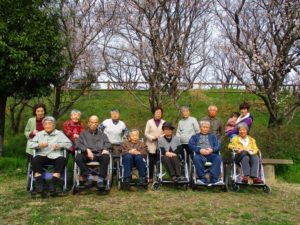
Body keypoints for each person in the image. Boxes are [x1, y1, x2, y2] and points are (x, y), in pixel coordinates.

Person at [29, 116, 72, 194]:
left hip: (55, 155)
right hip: (43, 155)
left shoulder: (59, 133)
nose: (47, 125)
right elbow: (30, 144)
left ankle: (53, 184)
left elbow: (69, 144)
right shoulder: (39, 134)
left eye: (50, 124)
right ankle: (40, 184)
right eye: (45, 124)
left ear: (54, 125)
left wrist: (59, 145)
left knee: (62, 160)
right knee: (35, 159)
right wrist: (39, 145)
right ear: (43, 126)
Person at [75, 115, 111, 190]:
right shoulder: (83, 134)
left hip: (98, 154)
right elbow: (78, 143)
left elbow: (108, 143)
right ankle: (88, 176)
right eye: (91, 122)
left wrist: (105, 148)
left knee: (106, 157)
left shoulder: (102, 134)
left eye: (95, 122)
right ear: (88, 123)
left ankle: (101, 179)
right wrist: (87, 150)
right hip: (87, 154)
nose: (93, 124)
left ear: (98, 124)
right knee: (78, 157)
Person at [145, 106, 165, 182]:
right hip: (151, 143)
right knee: (151, 161)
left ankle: (159, 177)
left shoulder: (163, 122)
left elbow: (165, 132)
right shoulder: (149, 122)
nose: (158, 114)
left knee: (159, 160)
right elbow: (146, 133)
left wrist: (160, 137)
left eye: (160, 113)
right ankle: (150, 177)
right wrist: (153, 137)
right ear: (154, 113)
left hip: (160, 143)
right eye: (157, 112)